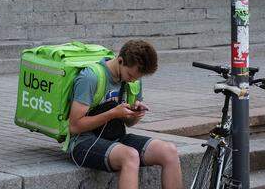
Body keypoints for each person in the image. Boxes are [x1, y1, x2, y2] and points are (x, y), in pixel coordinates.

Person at [68, 40, 183, 189]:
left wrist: (134, 116)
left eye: (137, 77)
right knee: (130, 156)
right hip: (83, 141)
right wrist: (112, 114)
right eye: (130, 75)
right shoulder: (90, 77)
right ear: (120, 60)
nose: (133, 80)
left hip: (115, 137)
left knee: (169, 151)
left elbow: (128, 123)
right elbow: (75, 126)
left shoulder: (134, 80)